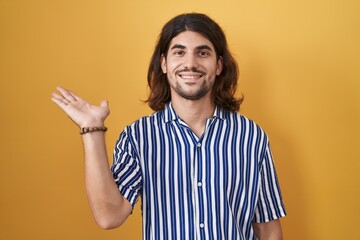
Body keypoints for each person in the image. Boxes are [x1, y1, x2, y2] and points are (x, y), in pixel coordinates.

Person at [51, 13, 286, 240]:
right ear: (164, 63)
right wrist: (91, 129)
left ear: (218, 65)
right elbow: (109, 216)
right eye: (179, 52)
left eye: (202, 53)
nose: (190, 63)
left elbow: (268, 229)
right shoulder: (138, 137)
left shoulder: (251, 136)